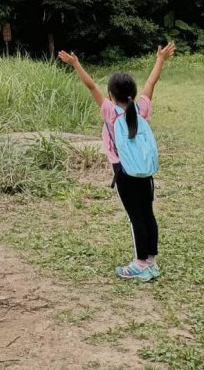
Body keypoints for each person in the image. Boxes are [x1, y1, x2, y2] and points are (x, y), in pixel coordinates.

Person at [58, 43, 176, 281]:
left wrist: (76, 64)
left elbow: (90, 85)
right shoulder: (141, 108)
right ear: (132, 93)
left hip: (123, 172)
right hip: (145, 172)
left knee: (135, 218)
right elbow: (151, 83)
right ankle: (151, 260)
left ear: (111, 95)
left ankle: (140, 264)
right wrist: (160, 59)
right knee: (148, 213)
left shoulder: (110, 113)